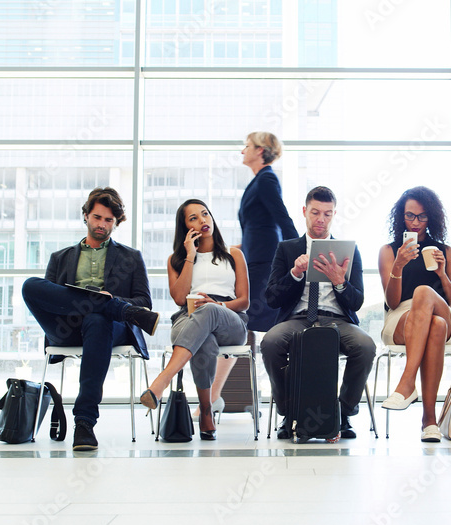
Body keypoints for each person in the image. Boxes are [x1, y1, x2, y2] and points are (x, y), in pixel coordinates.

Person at [21, 187, 161, 451]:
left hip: (108, 328)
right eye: (97, 217)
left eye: (109, 220)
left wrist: (104, 302)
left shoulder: (131, 258)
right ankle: (113, 306)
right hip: (65, 327)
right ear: (85, 216)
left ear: (116, 222)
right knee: (30, 285)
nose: (102, 224)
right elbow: (49, 299)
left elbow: (144, 303)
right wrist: (106, 301)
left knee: (97, 318)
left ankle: (84, 422)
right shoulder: (60, 257)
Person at [194, 132, 300, 420]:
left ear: (262, 151)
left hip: (263, 267)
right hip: (254, 261)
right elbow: (258, 228)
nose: (243, 150)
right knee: (242, 329)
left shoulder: (266, 180)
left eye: (247, 146)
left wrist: (299, 249)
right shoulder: (258, 180)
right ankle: (215, 398)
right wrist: (233, 249)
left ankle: (217, 398)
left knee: (244, 327)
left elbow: (282, 218)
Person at [260, 186, 376, 440]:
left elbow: (356, 301)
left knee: (365, 346)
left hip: (337, 320)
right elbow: (271, 298)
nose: (321, 219)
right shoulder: (287, 249)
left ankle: (341, 412)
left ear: (334, 215)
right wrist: (294, 274)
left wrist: (340, 282)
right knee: (270, 342)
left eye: (327, 214)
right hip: (298, 319)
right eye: (315, 212)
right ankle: (289, 412)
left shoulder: (349, 251)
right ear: (305, 212)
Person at [139, 199, 250, 440]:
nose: (203, 220)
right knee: (205, 340)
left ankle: (162, 381)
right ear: (185, 228)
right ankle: (207, 411)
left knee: (208, 313)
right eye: (194, 218)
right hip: (187, 317)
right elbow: (180, 298)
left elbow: (244, 301)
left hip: (230, 317)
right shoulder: (176, 259)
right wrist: (190, 255)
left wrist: (216, 304)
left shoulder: (234, 255)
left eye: (205, 214)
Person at [377, 187, 451, 442]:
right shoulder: (389, 251)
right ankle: (429, 420)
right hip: (402, 316)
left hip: (443, 312)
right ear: (400, 217)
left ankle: (407, 381)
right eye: (410, 216)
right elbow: (392, 302)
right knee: (433, 325)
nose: (416, 223)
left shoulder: (445, 251)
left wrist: (442, 274)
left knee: (425, 294)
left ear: (432, 218)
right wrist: (399, 265)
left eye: (423, 217)